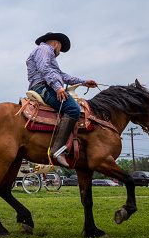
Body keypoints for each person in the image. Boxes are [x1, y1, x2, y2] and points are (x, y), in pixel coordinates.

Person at [26, 32, 97, 167]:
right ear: (56, 44)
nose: (59, 53)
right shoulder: (44, 50)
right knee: (73, 108)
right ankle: (57, 150)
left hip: (45, 85)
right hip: (44, 87)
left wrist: (83, 82)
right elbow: (45, 69)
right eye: (60, 50)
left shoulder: (44, 52)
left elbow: (62, 75)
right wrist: (58, 87)